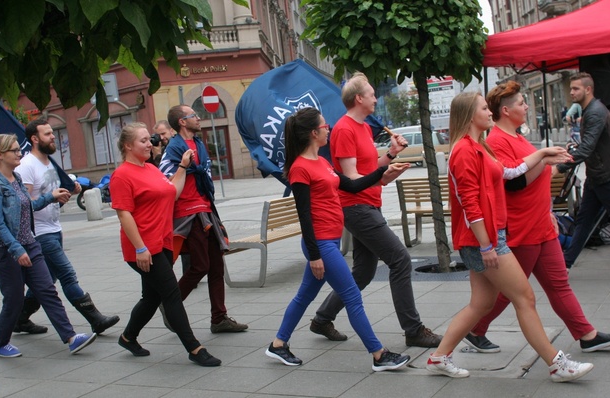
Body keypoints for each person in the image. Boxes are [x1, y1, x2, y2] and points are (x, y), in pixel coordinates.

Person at [425, 92, 594, 383]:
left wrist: (542, 154)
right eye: (483, 109)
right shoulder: (464, 151)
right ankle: (557, 364)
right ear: (469, 115)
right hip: (485, 240)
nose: (489, 113)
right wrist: (487, 245)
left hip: (488, 238)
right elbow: (469, 204)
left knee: (481, 304)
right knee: (524, 297)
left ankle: (439, 356)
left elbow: (510, 171)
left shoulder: (478, 146)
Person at [462, 81, 610, 354]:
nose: (526, 107)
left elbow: (536, 177)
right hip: (521, 227)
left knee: (557, 284)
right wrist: (543, 160)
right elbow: (513, 183)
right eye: (522, 103)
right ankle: (475, 329)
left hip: (541, 224)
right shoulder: (497, 141)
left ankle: (587, 334)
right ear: (506, 110)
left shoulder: (519, 137)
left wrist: (549, 203)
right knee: (511, 293)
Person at [265, 107, 411, 371]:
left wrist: (384, 171)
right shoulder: (300, 168)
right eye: (324, 125)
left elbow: (352, 186)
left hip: (329, 241)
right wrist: (314, 255)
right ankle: (379, 355)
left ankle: (278, 344)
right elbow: (304, 216)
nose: (328, 127)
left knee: (303, 297)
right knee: (353, 296)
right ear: (313, 133)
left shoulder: (322, 162)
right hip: (321, 243)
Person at [309, 72, 441, 348]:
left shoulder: (364, 128)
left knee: (363, 272)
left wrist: (391, 157)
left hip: (369, 204)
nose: (375, 97)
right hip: (356, 207)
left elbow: (368, 171)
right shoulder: (344, 129)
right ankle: (413, 330)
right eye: (371, 93)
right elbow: (351, 179)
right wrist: (384, 171)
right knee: (400, 259)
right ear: (359, 98)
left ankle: (322, 318)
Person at [109, 122, 221, 366]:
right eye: (143, 140)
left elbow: (172, 191)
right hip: (143, 247)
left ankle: (128, 337)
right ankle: (194, 348)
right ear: (128, 146)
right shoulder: (122, 175)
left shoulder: (150, 169)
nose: (150, 143)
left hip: (163, 242)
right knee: (171, 294)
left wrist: (182, 167)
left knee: (150, 298)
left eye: (149, 139)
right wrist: (140, 248)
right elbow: (124, 214)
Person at [0, 134, 97, 358]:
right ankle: (1, 344)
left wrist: (50, 197)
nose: (19, 154)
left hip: (30, 244)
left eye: (18, 150)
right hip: (6, 251)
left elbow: (27, 207)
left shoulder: (15, 178)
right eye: (14, 150)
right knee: (14, 300)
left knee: (47, 291)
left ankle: (71, 338)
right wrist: (17, 250)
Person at [13, 119, 120, 335]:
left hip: (54, 228)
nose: (53, 137)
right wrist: (51, 197)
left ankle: (19, 318)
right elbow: (23, 207)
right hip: (40, 233)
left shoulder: (49, 162)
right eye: (48, 134)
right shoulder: (26, 166)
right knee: (67, 274)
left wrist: (67, 191)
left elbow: (52, 192)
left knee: (48, 279)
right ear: (34, 139)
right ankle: (95, 319)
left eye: (52, 133)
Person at [160, 105, 247, 333]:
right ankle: (170, 305)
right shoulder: (174, 148)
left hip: (206, 208)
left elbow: (204, 174)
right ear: (181, 122)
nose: (198, 118)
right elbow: (164, 181)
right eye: (193, 116)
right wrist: (182, 168)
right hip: (188, 212)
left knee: (216, 265)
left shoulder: (198, 144)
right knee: (200, 266)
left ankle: (219, 318)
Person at [558, 73, 610, 279]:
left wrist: (560, 166)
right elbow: (590, 145)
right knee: (585, 220)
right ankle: (566, 263)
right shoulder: (592, 110)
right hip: (599, 174)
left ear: (588, 90)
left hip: (605, 175)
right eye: (571, 89)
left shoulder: (594, 112)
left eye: (576, 89)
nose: (572, 92)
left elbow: (587, 148)